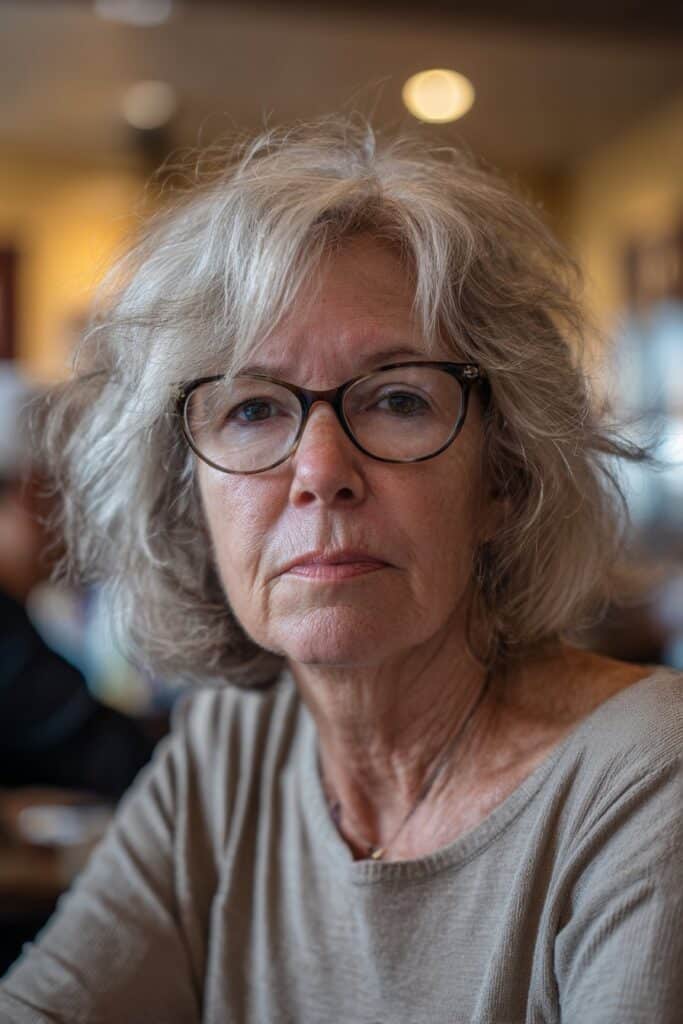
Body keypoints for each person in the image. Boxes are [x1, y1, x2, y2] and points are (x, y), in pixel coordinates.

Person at [0, 118, 680, 1022]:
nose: (320, 471)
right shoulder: (229, 751)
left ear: (504, 478)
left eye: (397, 399)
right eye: (251, 409)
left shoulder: (647, 779)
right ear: (188, 495)